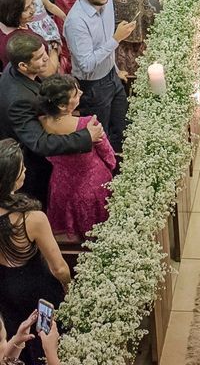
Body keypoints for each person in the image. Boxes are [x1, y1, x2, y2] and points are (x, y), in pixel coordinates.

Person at [0, 34, 101, 206]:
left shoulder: (18, 67)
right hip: (30, 165)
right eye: (39, 57)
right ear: (23, 66)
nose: (47, 57)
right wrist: (86, 136)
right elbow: (40, 143)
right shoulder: (18, 100)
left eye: (44, 51)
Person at [0, 139, 70, 363]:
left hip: (4, 291)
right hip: (37, 288)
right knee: (47, 338)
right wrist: (68, 285)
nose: (26, 171)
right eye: (22, 168)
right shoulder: (32, 219)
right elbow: (59, 267)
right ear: (11, 179)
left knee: (17, 342)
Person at [63, 0, 136, 154]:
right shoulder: (76, 22)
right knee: (100, 136)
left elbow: (104, 42)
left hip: (111, 74)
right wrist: (116, 39)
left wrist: (115, 68)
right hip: (93, 85)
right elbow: (86, 64)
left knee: (122, 125)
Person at [39, 74, 114, 240]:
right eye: (75, 94)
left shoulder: (40, 124)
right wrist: (110, 167)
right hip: (93, 185)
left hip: (61, 186)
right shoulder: (87, 124)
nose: (80, 92)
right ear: (62, 105)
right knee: (98, 234)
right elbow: (108, 154)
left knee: (70, 237)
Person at [0, 0, 58, 77]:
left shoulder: (5, 24)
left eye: (32, 4)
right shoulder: (21, 42)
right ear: (13, 13)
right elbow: (48, 72)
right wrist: (55, 49)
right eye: (26, 9)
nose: (33, 10)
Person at [13, 0, 66, 69]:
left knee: (54, 47)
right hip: (33, 30)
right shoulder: (20, 5)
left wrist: (64, 16)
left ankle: (57, 64)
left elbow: (51, 7)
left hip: (46, 27)